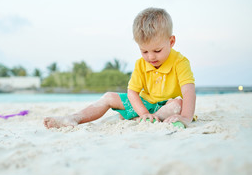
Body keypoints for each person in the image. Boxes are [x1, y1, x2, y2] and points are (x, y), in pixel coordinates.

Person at [44, 7, 196, 129]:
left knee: (178, 105)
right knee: (109, 96)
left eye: (157, 51)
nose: (151, 57)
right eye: (144, 51)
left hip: (165, 106)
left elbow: (188, 92)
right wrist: (143, 112)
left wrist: (186, 117)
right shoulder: (141, 64)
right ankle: (74, 118)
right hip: (143, 105)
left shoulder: (180, 62)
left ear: (171, 41)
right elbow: (132, 92)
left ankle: (139, 118)